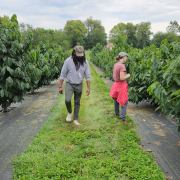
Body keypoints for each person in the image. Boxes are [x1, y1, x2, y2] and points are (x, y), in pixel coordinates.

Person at [59, 45, 91, 125]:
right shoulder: (68, 61)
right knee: (67, 100)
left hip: (79, 84)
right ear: (74, 52)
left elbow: (87, 75)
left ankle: (75, 119)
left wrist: (88, 88)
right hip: (70, 83)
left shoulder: (85, 62)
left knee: (77, 102)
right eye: (78, 55)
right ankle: (70, 112)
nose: (80, 57)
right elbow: (62, 74)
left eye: (81, 55)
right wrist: (60, 86)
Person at [109, 52, 131, 125]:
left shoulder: (116, 65)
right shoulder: (122, 66)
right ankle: (123, 119)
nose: (126, 59)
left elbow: (114, 76)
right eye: (126, 57)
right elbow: (122, 78)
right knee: (124, 101)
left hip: (116, 84)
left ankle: (117, 114)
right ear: (123, 57)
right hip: (121, 85)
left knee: (116, 99)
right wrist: (127, 75)